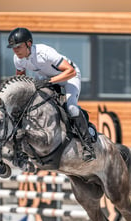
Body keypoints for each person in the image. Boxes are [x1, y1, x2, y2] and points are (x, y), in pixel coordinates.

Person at [7, 27, 95, 162]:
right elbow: (21, 81)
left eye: (18, 46)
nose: (15, 50)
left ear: (28, 44)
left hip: (69, 77)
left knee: (71, 107)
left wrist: (49, 81)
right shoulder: (18, 59)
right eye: (13, 47)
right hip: (48, 80)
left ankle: (88, 145)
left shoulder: (44, 52)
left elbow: (70, 71)